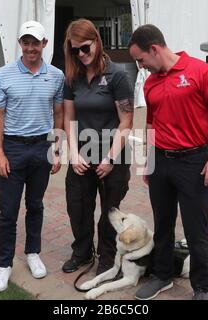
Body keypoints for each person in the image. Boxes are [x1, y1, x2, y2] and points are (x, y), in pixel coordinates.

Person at [128, 24, 208, 300]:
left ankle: (200, 288)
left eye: (141, 59)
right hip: (161, 161)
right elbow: (152, 121)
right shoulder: (150, 83)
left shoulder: (200, 71)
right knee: (162, 224)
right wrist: (149, 160)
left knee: (196, 229)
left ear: (154, 49)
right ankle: (162, 276)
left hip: (193, 162)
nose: (141, 66)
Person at [0, 21, 64, 291]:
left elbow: (59, 114)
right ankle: (4, 263)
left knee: (36, 205)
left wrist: (57, 149)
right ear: (20, 43)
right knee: (7, 211)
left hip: (42, 147)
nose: (30, 48)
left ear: (45, 44)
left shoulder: (56, 75)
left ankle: (33, 253)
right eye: (26, 42)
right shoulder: (3, 74)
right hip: (13, 147)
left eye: (36, 42)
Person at [61, 19, 134, 275]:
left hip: (112, 155)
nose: (80, 54)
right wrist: (73, 153)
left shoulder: (117, 75)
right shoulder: (72, 77)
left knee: (109, 212)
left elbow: (126, 122)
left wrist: (110, 159)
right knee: (77, 206)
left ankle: (107, 257)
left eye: (85, 48)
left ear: (97, 41)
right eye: (74, 50)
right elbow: (68, 119)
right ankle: (82, 252)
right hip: (82, 153)